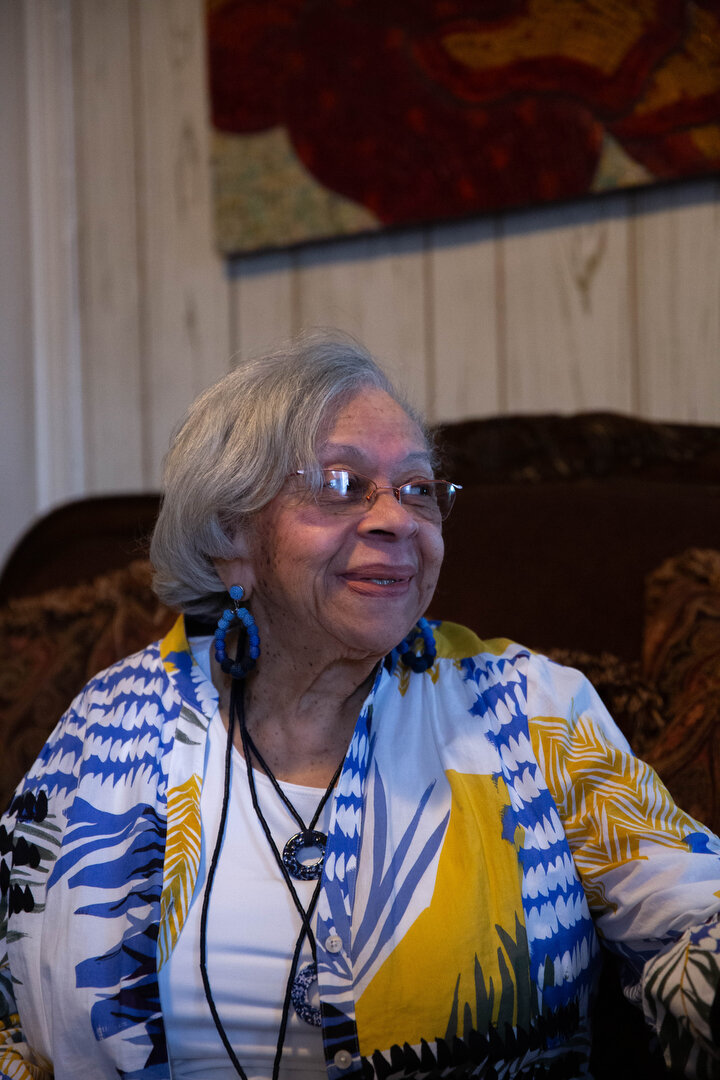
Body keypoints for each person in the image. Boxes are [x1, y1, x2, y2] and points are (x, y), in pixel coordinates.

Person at [0, 332, 719, 1080]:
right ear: (230, 539)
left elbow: (694, 915)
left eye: (418, 490)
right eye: (343, 485)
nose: (398, 519)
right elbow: (16, 1020)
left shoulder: (527, 708)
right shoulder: (110, 726)